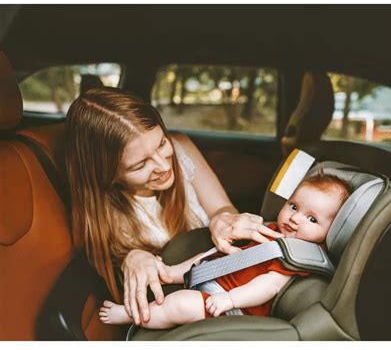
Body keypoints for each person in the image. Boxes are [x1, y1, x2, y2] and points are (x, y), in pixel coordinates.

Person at [64, 87, 281, 326]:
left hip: (233, 288)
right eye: (140, 165)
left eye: (161, 144)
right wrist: (132, 256)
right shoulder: (104, 210)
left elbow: (221, 208)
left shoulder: (180, 147)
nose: (163, 166)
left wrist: (222, 220)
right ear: (108, 174)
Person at [98, 172, 351, 328]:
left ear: (332, 231)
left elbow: (268, 285)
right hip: (216, 278)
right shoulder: (274, 228)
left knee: (178, 305)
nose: (295, 219)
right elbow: (222, 255)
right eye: (294, 206)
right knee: (209, 254)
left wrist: (230, 299)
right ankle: (172, 272)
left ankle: (133, 316)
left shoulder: (298, 255)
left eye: (312, 219)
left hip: (234, 305)